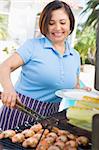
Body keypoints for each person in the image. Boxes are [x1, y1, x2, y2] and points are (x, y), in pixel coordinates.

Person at [0, 0, 91, 130]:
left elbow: (73, 86)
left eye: (63, 22)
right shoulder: (33, 46)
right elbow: (4, 67)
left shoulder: (75, 56)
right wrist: (9, 89)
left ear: (70, 24)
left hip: (50, 117)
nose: (58, 28)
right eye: (51, 23)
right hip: (19, 110)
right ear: (45, 25)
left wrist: (82, 92)